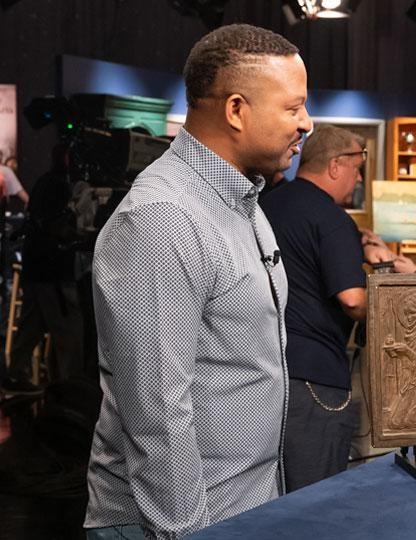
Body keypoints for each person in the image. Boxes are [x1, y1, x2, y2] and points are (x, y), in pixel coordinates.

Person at [84, 24, 312, 539]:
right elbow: (157, 413)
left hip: (245, 507)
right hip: (178, 525)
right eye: (293, 107)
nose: (307, 123)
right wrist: (188, 533)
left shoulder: (244, 200)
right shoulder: (162, 219)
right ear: (236, 110)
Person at [259, 124, 397, 491]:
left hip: (262, 369)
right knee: (313, 497)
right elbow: (353, 300)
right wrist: (396, 302)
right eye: (357, 169)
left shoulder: (265, 206)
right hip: (314, 379)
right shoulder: (332, 218)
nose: (358, 180)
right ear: (336, 166)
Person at [0, 145, 83, 395]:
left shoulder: (45, 182)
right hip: (53, 270)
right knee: (68, 332)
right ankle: (71, 390)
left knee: (31, 325)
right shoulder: (61, 186)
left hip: (35, 266)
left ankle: (14, 375)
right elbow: (57, 227)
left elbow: (31, 212)